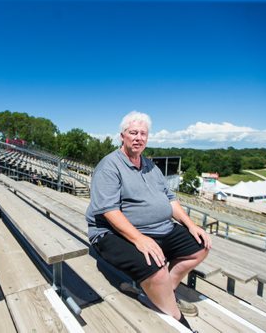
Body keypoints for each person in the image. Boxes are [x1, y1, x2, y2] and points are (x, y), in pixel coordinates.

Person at [86, 111, 211, 331]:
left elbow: (170, 200)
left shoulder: (151, 166)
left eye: (143, 133)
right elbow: (110, 211)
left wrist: (192, 225)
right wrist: (139, 238)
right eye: (133, 132)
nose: (138, 137)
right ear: (122, 136)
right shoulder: (109, 166)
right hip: (115, 233)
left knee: (201, 247)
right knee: (157, 267)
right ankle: (177, 319)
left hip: (159, 228)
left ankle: (163, 293)